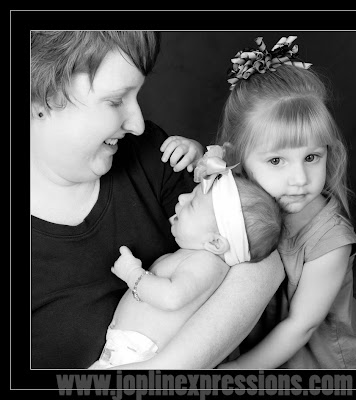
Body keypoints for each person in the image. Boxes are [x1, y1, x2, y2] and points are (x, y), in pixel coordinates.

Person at [31, 31, 285, 369]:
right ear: (43, 99)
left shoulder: (152, 153)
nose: (137, 124)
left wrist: (163, 371)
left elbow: (260, 257)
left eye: (136, 94)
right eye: (116, 100)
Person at [165, 35, 356, 369]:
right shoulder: (240, 190)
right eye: (276, 161)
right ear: (237, 158)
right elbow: (209, 183)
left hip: (318, 361)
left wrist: (237, 370)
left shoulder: (331, 242)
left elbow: (300, 327)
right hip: (255, 346)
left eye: (312, 157)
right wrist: (192, 154)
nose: (299, 178)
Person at [89, 146, 283, 369]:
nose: (182, 197)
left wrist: (133, 274)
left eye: (191, 204)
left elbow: (172, 297)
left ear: (215, 243)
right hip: (127, 351)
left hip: (138, 356)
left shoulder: (207, 263)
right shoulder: (194, 256)